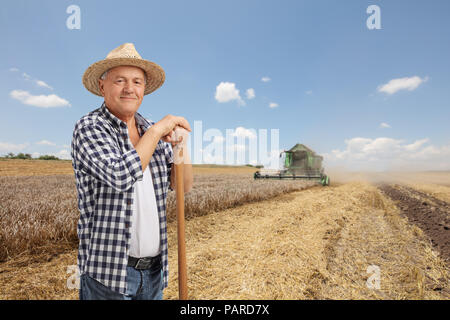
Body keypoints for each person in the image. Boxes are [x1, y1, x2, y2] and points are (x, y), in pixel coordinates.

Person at [71, 43, 193, 300]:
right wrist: (158, 131)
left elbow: (182, 187)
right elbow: (120, 175)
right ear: (103, 87)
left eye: (137, 81)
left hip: (154, 273)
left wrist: (182, 144)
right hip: (109, 276)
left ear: (144, 89)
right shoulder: (90, 127)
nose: (129, 88)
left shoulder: (151, 129)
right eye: (120, 80)